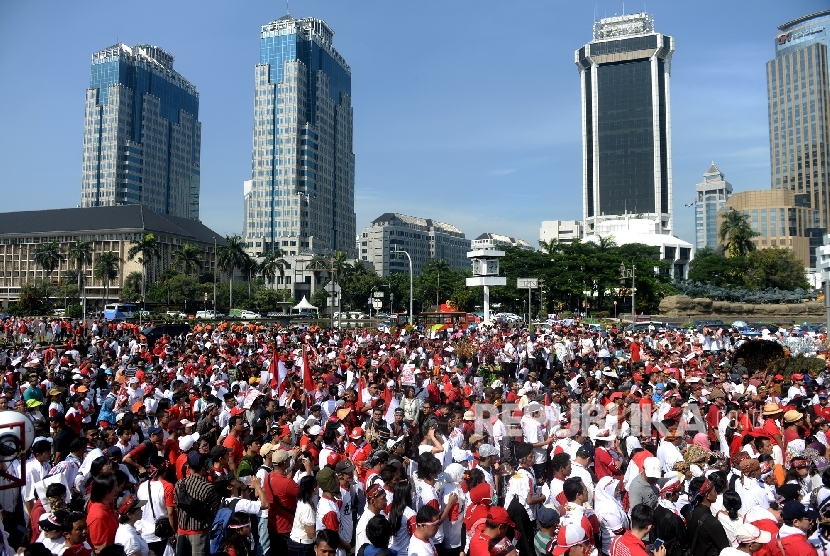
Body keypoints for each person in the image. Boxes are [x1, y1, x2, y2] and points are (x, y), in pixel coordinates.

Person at [173, 451, 221, 556]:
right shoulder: (208, 488)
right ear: (203, 466)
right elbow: (214, 513)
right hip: (199, 535)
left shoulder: (179, 484)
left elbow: (176, 507)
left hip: (181, 532)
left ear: (188, 466)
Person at [136, 456, 176, 556]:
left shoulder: (142, 486)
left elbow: (142, 506)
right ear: (165, 470)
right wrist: (174, 532)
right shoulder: (167, 487)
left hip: (145, 533)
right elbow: (170, 513)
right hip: (162, 534)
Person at [686, 477, 730, 556]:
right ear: (707, 495)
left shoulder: (690, 512)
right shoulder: (712, 523)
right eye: (714, 490)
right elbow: (726, 550)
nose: (716, 492)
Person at [595, 477, 629, 556]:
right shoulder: (608, 508)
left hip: (619, 546)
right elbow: (619, 531)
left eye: (618, 487)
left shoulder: (613, 502)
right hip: (611, 550)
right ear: (607, 490)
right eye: (615, 489)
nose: (619, 490)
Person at [87, 474, 119, 554]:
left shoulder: (109, 504)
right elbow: (99, 548)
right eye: (112, 488)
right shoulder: (99, 516)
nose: (117, 490)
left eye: (116, 486)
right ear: (103, 491)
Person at [288, 476, 317, 556]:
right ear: (313, 488)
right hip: (302, 546)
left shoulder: (302, 501)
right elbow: (311, 534)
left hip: (298, 544)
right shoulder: (307, 508)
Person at [355, 485, 388, 553]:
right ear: (373, 501)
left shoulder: (380, 515)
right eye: (383, 498)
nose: (386, 500)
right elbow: (365, 552)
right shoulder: (365, 525)